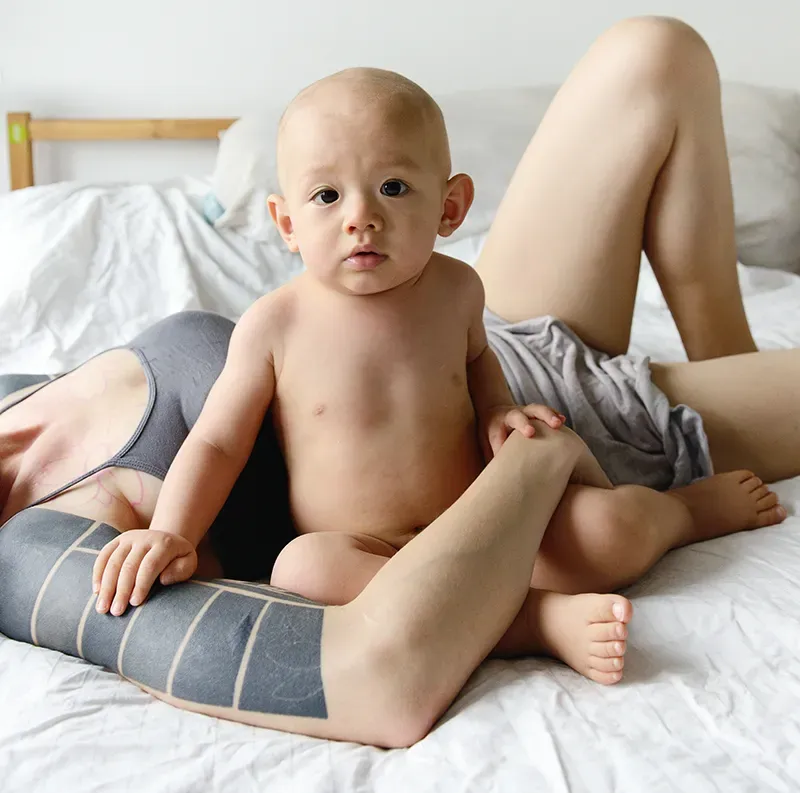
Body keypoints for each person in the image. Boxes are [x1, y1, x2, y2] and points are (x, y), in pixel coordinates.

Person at [0, 15, 795, 747]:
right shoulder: (37, 552)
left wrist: (499, 413)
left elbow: (479, 359)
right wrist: (171, 530)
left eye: (391, 190)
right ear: (285, 223)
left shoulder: (457, 287)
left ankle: (725, 362)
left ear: (450, 207)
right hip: (481, 516)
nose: (359, 218)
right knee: (308, 568)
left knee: (657, 47)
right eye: (325, 196)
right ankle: (638, 536)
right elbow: (214, 439)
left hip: (522, 365)